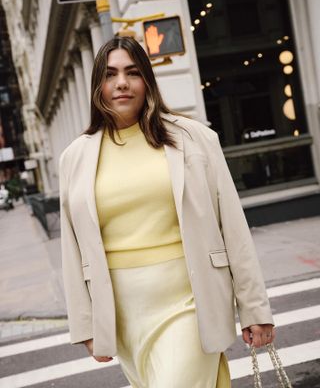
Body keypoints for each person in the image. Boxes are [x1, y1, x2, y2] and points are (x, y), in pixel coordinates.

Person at [59, 36, 274, 388]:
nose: (122, 83)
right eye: (110, 74)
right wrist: (85, 324)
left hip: (189, 301)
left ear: (147, 80)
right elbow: (72, 247)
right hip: (124, 312)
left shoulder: (194, 138)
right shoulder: (75, 157)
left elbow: (232, 226)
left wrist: (255, 309)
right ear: (98, 85)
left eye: (132, 72)